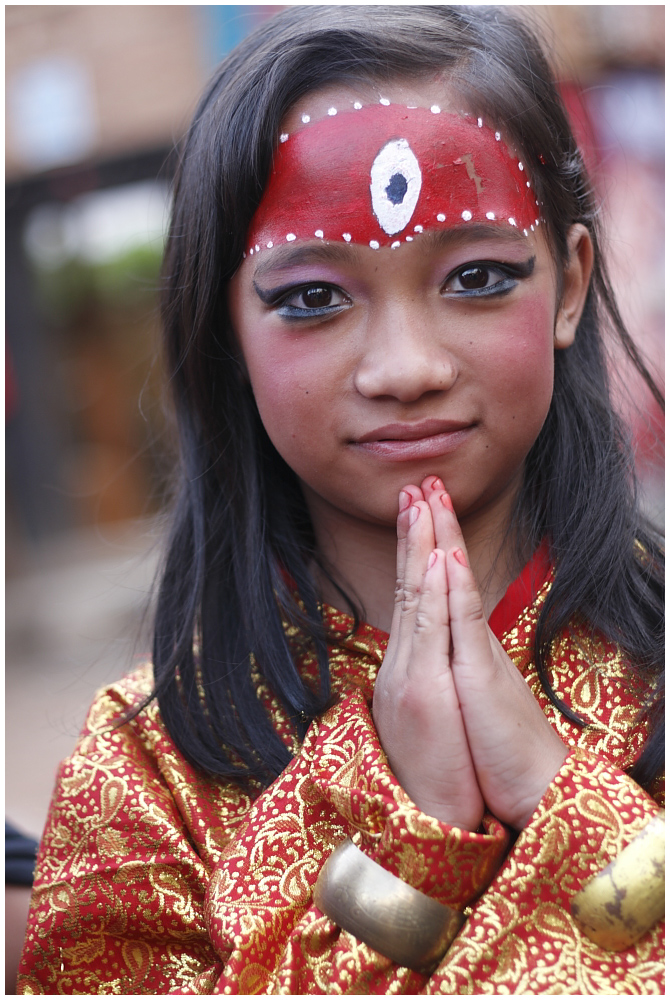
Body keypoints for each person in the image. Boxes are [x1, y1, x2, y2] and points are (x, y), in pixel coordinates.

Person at [18, 6, 664, 995]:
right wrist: (414, 844)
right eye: (314, 297)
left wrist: (561, 793)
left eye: (478, 278)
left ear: (571, 285)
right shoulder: (143, 773)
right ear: (225, 330)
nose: (404, 368)